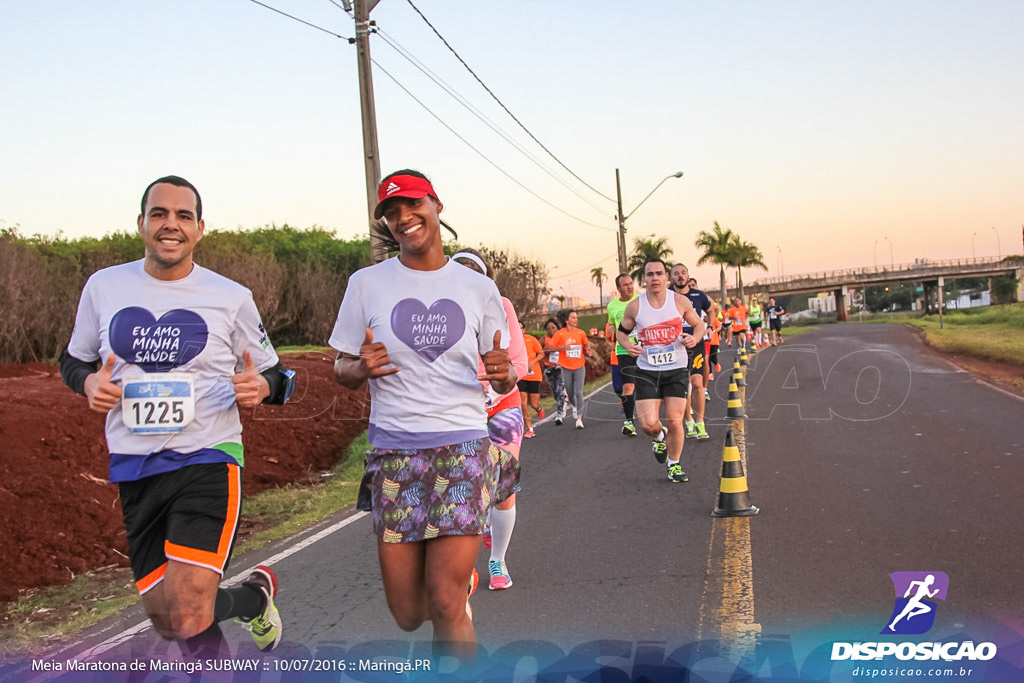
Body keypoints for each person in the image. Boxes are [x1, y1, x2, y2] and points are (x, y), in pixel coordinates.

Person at [60, 176, 294, 659]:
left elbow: (276, 375)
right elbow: (74, 359)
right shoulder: (104, 287)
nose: (171, 224)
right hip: (134, 464)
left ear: (200, 228)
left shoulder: (230, 296)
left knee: (188, 612)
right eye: (159, 214)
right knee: (171, 622)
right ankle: (252, 599)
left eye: (183, 216)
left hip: (208, 457)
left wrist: (261, 387)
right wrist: (88, 383)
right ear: (141, 223)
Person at [330, 170, 518, 660]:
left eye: (412, 205)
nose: (402, 219)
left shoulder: (477, 290)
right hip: (394, 453)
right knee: (409, 612)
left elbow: (504, 374)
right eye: (391, 213)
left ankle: (455, 595)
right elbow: (340, 367)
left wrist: (503, 377)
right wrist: (359, 367)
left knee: (445, 601)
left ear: (436, 205)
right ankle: (458, 587)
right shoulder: (366, 284)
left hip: (463, 448)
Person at [451, 248, 528, 593]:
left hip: (503, 406)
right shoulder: (437, 315)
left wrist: (497, 384)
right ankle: (465, 564)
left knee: (502, 488)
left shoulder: (504, 307)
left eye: (473, 276)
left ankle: (498, 558)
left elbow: (520, 364)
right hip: (458, 413)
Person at [616, 259, 705, 483]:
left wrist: (694, 338)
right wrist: (628, 346)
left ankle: (674, 464)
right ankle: (659, 436)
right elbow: (621, 333)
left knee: (676, 421)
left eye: (659, 273)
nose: (654, 278)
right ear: (644, 279)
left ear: (666, 277)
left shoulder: (680, 301)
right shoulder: (635, 306)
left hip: (676, 369)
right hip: (647, 370)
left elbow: (699, 325)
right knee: (647, 424)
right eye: (649, 274)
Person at [670, 265, 715, 441]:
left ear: (688, 276)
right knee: (684, 385)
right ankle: (688, 421)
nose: (680, 277)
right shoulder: (667, 297)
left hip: (696, 343)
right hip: (676, 346)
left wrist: (710, 327)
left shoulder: (698, 295)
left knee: (697, 383)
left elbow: (711, 310)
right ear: (671, 277)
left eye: (683, 273)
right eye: (676, 274)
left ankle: (700, 421)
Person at [604, 273, 639, 436]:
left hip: (645, 348)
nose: (629, 286)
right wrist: (611, 333)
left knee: (650, 385)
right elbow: (611, 325)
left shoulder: (642, 299)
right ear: (618, 289)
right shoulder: (612, 306)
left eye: (631, 283)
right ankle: (629, 421)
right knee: (628, 386)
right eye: (625, 285)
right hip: (624, 350)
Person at [549, 309, 594, 429]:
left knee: (579, 392)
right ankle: (575, 406)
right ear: (566, 320)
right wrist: (563, 347)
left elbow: (586, 344)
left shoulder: (581, 333)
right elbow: (551, 348)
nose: (576, 319)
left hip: (579, 366)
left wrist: (588, 350)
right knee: (570, 392)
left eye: (576, 317)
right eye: (573, 317)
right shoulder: (559, 334)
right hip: (566, 367)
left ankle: (579, 419)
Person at [517, 322, 546, 439]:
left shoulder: (531, 340)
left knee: (534, 403)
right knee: (522, 402)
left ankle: (539, 408)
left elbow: (542, 354)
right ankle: (530, 429)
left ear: (524, 329)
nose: (518, 331)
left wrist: (532, 362)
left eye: (520, 328)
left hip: (534, 375)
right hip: (521, 376)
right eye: (516, 328)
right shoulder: (511, 342)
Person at [541, 318, 568, 423]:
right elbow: (539, 351)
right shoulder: (544, 339)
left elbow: (568, 349)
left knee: (559, 389)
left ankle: (559, 414)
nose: (551, 330)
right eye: (548, 328)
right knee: (554, 391)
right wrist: (552, 350)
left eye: (553, 328)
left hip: (561, 367)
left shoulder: (562, 338)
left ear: (557, 328)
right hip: (548, 367)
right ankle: (563, 400)